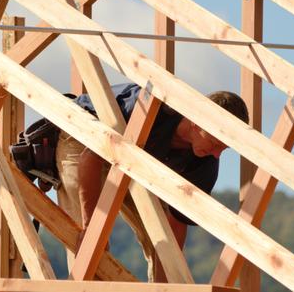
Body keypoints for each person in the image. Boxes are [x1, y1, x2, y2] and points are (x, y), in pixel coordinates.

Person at [56, 83, 248, 281]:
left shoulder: (205, 162)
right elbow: (91, 157)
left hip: (131, 160)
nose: (217, 154)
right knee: (87, 238)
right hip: (86, 133)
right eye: (215, 144)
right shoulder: (149, 109)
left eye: (223, 149)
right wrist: (91, 228)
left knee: (160, 236)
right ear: (197, 122)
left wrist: (165, 284)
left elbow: (175, 224)